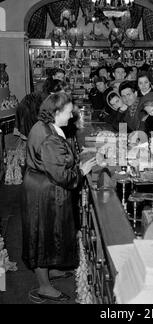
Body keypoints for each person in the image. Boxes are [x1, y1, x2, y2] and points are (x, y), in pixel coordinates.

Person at [22, 92, 97, 302]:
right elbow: (63, 176)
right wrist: (81, 170)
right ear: (55, 113)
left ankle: (51, 269)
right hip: (44, 193)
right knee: (41, 238)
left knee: (48, 234)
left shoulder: (43, 126)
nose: (71, 116)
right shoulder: (50, 138)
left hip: (40, 186)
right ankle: (44, 287)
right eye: (68, 112)